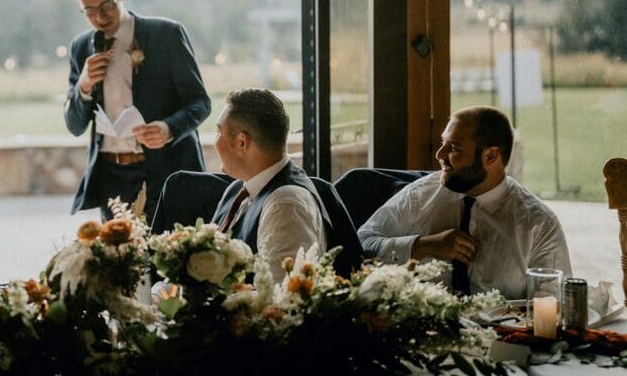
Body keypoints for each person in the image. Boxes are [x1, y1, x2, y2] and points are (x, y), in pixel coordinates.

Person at [358, 106, 572, 299]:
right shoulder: (420, 196)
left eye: (454, 148)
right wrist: (423, 245)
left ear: (490, 156)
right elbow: (362, 242)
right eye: (443, 143)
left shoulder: (539, 225)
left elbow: (552, 306)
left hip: (501, 340)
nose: (439, 154)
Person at [63, 0, 211, 222]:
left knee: (168, 259)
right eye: (89, 9)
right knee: (120, 262)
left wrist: (169, 129)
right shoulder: (81, 47)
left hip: (165, 172)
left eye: (107, 5)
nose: (99, 17)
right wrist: (84, 85)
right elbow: (74, 126)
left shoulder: (166, 34)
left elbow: (200, 103)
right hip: (112, 180)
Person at [208, 89, 327, 282]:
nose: (215, 142)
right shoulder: (238, 189)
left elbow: (281, 296)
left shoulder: (286, 206)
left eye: (218, 132)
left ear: (241, 142)